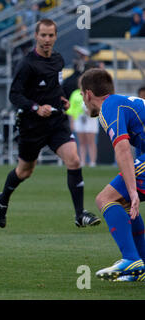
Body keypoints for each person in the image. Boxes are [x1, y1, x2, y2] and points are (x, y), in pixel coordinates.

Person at [0, 19, 100, 229]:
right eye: (43, 35)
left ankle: (80, 214)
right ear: (36, 36)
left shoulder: (58, 59)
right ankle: (3, 199)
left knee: (74, 160)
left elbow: (54, 87)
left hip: (56, 121)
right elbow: (14, 95)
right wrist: (35, 107)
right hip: (31, 125)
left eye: (51, 35)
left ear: (56, 36)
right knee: (24, 171)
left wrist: (62, 99)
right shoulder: (26, 64)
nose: (47, 39)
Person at [80, 68, 145, 281]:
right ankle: (140, 265)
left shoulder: (109, 106)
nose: (83, 100)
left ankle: (131, 258)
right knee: (122, 202)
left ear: (88, 94)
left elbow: (123, 148)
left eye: (82, 95)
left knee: (105, 198)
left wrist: (133, 190)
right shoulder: (120, 102)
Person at [66, 78, 98, 167]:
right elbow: (71, 109)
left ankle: (92, 161)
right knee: (81, 141)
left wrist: (91, 111)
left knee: (91, 141)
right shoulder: (75, 94)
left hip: (90, 119)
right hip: (79, 118)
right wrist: (72, 121)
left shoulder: (92, 93)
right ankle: (82, 160)